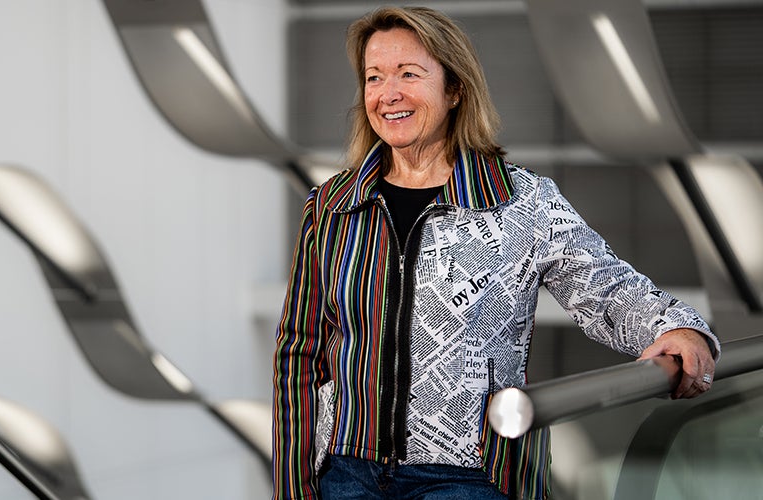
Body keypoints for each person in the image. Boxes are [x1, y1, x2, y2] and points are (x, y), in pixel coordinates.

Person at [272, 6, 720, 500]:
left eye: (409, 74)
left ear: (454, 88)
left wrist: (675, 326)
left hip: (471, 478)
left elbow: (606, 288)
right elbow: (299, 351)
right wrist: (294, 485)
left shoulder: (521, 202)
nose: (388, 93)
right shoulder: (332, 206)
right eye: (374, 77)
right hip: (345, 473)